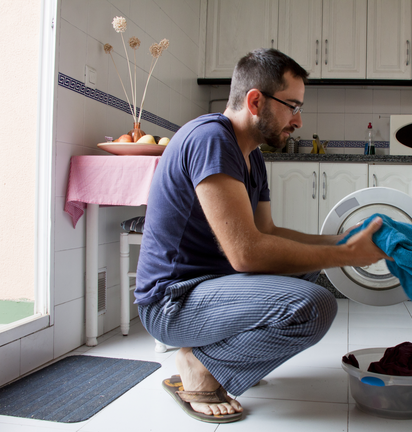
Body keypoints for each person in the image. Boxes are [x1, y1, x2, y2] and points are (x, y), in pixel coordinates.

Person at [135, 48, 388, 423]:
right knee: (316, 305)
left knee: (302, 269)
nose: (299, 120)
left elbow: (267, 232)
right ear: (256, 100)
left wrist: (342, 240)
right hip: (172, 301)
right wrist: (348, 255)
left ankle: (219, 359)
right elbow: (246, 254)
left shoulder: (251, 155)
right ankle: (199, 366)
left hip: (210, 287)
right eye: (293, 106)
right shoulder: (211, 140)